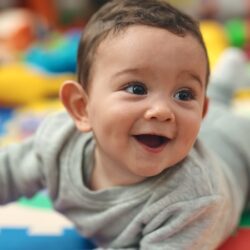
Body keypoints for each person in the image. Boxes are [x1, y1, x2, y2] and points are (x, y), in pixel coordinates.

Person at [0, 0, 250, 249]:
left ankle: (221, 88)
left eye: (184, 94)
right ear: (81, 107)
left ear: (201, 113)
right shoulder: (58, 142)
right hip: (214, 129)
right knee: (218, 106)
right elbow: (7, 173)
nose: (162, 111)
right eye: (136, 88)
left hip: (238, 150)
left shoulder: (194, 198)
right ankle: (222, 84)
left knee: (227, 119)